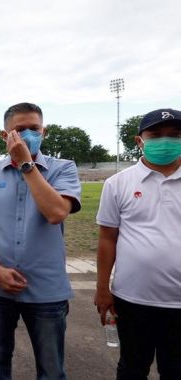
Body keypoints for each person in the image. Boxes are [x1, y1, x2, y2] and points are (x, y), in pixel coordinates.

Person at [0, 102, 81, 379]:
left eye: (34, 128)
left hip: (47, 289)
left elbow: (56, 213)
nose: (28, 134)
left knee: (51, 369)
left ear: (44, 132)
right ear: (5, 136)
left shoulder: (63, 168)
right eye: (19, 129)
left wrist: (27, 164)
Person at [95, 108, 181, 379]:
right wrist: (102, 289)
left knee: (176, 370)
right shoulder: (118, 183)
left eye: (176, 135)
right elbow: (108, 238)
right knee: (132, 368)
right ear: (139, 140)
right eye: (156, 135)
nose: (166, 141)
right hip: (132, 298)